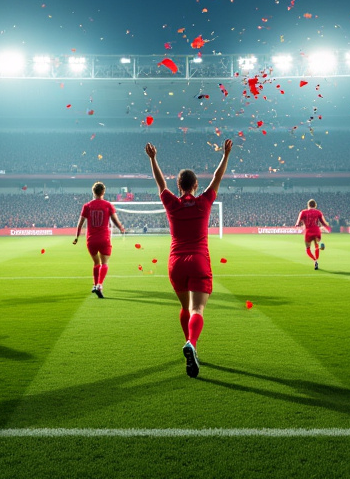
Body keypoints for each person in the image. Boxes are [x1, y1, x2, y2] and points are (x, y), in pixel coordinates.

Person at [146, 138, 232, 379]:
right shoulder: (204, 202)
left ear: (179, 185)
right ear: (196, 185)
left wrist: (153, 159)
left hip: (176, 263)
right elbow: (217, 177)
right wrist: (225, 155)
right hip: (198, 260)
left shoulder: (171, 203)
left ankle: (189, 344)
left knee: (185, 308)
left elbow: (160, 183)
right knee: (198, 309)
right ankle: (192, 344)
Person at [72, 181, 126, 297]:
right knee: (104, 263)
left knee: (96, 262)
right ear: (103, 192)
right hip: (104, 239)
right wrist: (121, 227)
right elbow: (115, 220)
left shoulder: (87, 206)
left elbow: (80, 223)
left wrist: (76, 237)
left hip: (91, 240)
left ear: (93, 192)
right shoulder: (108, 205)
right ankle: (99, 285)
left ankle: (95, 284)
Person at [295, 200, 330, 270]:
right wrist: (327, 226)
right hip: (316, 230)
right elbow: (324, 222)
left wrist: (300, 224)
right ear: (315, 205)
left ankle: (315, 260)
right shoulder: (318, 212)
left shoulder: (303, 212)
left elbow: (297, 223)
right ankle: (320, 244)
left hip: (308, 231)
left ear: (308, 205)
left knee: (308, 249)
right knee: (316, 246)